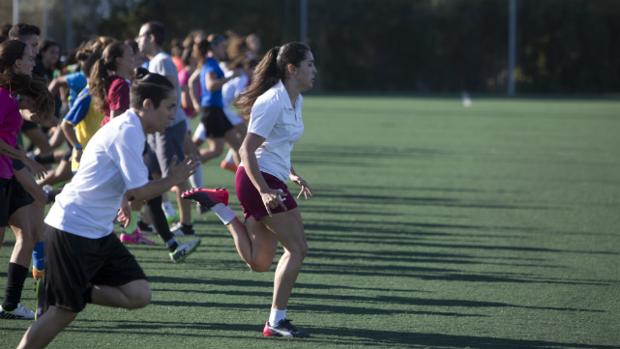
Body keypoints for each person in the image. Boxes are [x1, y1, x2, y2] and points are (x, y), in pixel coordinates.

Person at [16, 71, 199, 348]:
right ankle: (69, 290)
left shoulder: (132, 128)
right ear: (148, 105)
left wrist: (125, 199)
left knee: (139, 294)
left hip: (97, 232)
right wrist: (172, 179)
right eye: (170, 106)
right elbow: (139, 190)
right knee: (64, 311)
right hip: (71, 229)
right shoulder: (127, 131)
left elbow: (124, 184)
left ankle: (76, 287)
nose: (174, 114)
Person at [184, 42, 316, 338]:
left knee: (259, 262)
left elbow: (278, 144)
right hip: (259, 181)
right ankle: (276, 322)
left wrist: (292, 174)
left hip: (271, 179)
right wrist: (266, 190)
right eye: (309, 64)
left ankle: (221, 209)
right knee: (298, 249)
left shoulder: (296, 100)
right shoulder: (272, 100)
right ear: (291, 69)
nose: (314, 70)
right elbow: (245, 150)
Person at [0, 39, 54, 319]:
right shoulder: (1, 93)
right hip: (2, 174)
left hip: (8, 174)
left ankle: (9, 305)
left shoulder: (10, 94)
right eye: (29, 57)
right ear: (16, 63)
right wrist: (25, 158)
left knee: (30, 235)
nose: (34, 61)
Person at [137, 21, 199, 239]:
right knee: (153, 173)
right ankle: (146, 220)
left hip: (168, 126)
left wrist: (169, 117)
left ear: (152, 38)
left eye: (142, 36)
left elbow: (172, 92)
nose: (138, 40)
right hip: (158, 127)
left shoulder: (162, 61)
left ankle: (186, 224)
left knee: (174, 174)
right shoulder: (155, 61)